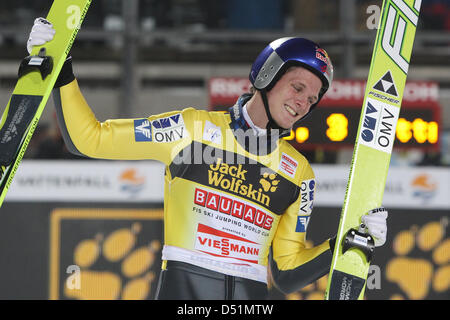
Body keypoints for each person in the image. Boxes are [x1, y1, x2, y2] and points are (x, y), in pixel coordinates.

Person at [27, 18, 388, 300]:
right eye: (297, 87)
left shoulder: (299, 174)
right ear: (266, 76)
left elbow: (288, 273)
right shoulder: (191, 129)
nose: (303, 103)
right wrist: (62, 67)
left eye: (312, 99)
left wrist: (346, 244)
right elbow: (88, 139)